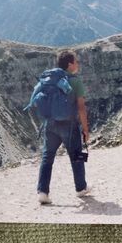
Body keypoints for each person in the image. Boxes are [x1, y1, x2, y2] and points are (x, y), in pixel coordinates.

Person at [36, 50, 91, 204]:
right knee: (77, 156)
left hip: (50, 125)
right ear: (69, 64)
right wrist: (85, 129)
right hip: (69, 125)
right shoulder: (75, 81)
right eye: (76, 61)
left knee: (47, 157)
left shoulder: (50, 81)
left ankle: (42, 192)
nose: (78, 64)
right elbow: (81, 107)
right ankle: (81, 188)